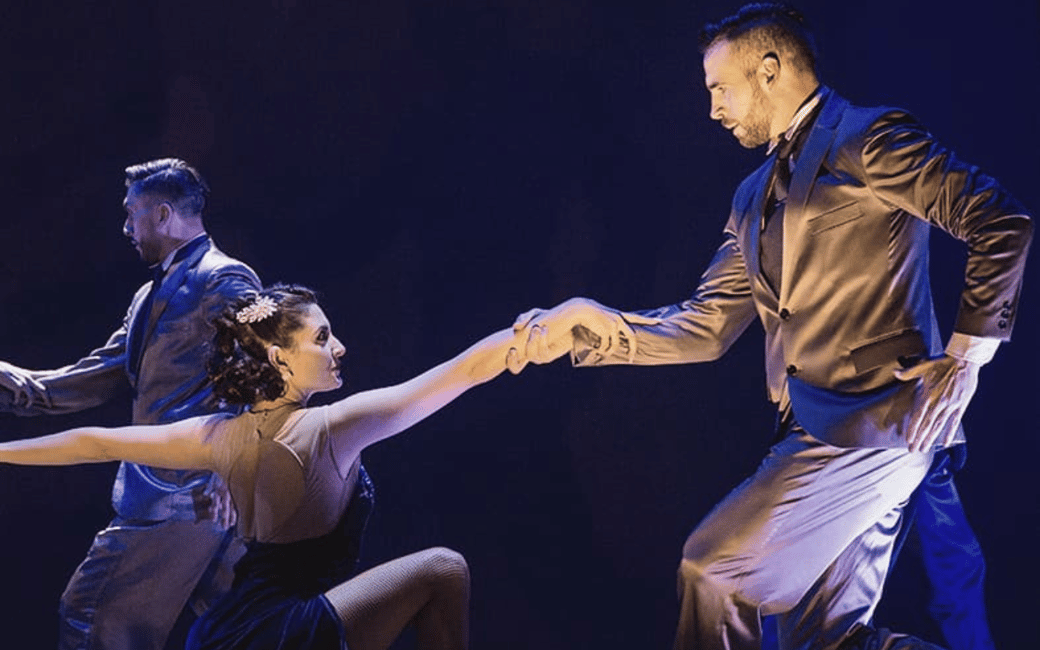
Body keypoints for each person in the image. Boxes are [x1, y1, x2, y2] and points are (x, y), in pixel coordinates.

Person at [512, 4, 1031, 650]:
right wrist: (593, 327)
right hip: (812, 429)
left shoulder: (868, 138)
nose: (712, 109)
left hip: (877, 425)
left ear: (768, 70)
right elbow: (705, 327)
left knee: (712, 570)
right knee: (825, 641)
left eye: (719, 89)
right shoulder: (751, 197)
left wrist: (967, 357)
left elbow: (1000, 221)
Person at [0, 283, 532, 650]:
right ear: (280, 357)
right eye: (322, 338)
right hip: (284, 631)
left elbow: (94, 442)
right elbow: (463, 371)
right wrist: (537, 334)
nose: (340, 347)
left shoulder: (217, 437)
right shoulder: (331, 427)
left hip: (224, 634)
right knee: (443, 568)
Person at [0, 158, 262, 650]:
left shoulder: (222, 277)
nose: (126, 228)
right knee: (244, 631)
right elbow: (99, 373)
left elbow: (263, 368)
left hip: (189, 497)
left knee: (91, 618)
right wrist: (15, 384)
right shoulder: (148, 294)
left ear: (162, 214)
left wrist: (232, 466)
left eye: (131, 213)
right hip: (184, 500)